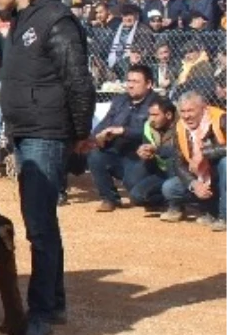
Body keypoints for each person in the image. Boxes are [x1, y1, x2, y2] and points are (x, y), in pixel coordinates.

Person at [0, 0, 95, 335]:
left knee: (40, 226)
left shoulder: (55, 20)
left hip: (46, 133)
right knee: (41, 222)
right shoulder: (23, 20)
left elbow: (78, 79)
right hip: (27, 131)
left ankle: (42, 313)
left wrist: (80, 132)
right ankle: (55, 303)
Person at [84, 64, 157, 211]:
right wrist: (96, 137)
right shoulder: (120, 101)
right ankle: (109, 199)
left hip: (141, 157)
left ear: (148, 84)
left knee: (138, 193)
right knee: (95, 154)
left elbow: (154, 133)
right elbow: (105, 122)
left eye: (136, 82)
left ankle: (159, 198)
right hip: (117, 152)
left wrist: (123, 131)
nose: (130, 85)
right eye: (129, 81)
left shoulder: (157, 104)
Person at [159, 92, 227, 231]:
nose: (186, 116)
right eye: (182, 111)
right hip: (203, 177)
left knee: (225, 163)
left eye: (191, 110)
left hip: (221, 174)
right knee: (170, 188)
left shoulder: (221, 118)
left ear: (203, 108)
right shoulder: (180, 127)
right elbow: (178, 163)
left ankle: (224, 216)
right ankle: (210, 210)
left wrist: (205, 153)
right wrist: (194, 184)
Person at [131, 96, 179, 210]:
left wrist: (157, 150)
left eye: (155, 115)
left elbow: (179, 152)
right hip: (161, 171)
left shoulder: (181, 125)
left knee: (172, 161)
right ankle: (168, 199)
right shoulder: (149, 126)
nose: (151, 118)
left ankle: (176, 205)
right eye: (150, 114)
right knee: (137, 196)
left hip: (181, 172)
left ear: (168, 115)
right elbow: (149, 150)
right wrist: (146, 154)